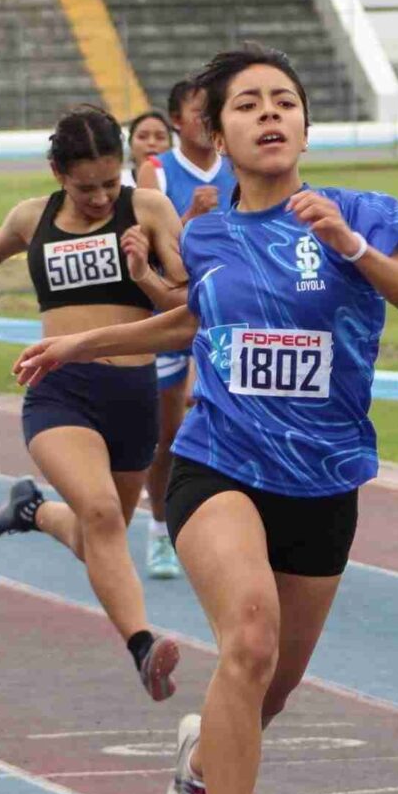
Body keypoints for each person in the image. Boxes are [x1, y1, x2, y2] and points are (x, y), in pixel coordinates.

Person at [12, 44, 398, 794]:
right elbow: (199, 314)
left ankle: (203, 757)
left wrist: (348, 246)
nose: (271, 114)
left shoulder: (365, 212)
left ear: (308, 126)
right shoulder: (206, 230)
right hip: (219, 461)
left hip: (324, 477)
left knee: (267, 692)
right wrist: (76, 347)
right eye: (250, 104)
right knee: (246, 637)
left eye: (286, 101)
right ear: (221, 131)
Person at [0, 104, 190, 703]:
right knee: (100, 516)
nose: (100, 198)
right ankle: (144, 647)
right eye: (85, 186)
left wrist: (145, 270)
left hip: (132, 397)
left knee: (103, 535)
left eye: (109, 182)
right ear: (56, 172)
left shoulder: (146, 208)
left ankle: (32, 512)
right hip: (60, 391)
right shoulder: (31, 218)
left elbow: (184, 296)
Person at [136, 79, 237, 580]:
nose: (209, 118)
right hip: (175, 307)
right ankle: (159, 529)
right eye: (201, 111)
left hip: (231, 311)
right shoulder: (155, 170)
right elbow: (150, 245)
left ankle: (231, 527)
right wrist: (190, 215)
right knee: (169, 434)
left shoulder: (238, 165)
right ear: (178, 120)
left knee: (230, 417)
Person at [120, 109, 172, 189]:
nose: (151, 143)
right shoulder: (119, 183)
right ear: (130, 143)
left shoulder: (181, 185)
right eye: (142, 137)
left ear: (170, 145)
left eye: (160, 137)